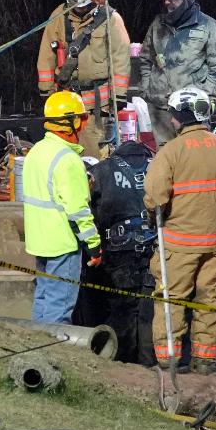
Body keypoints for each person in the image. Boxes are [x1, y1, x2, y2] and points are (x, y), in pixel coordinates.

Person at [142, 87, 216, 374]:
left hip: (178, 245)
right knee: (210, 300)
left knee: (172, 303)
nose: (170, 121)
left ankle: (168, 363)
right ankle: (204, 364)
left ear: (179, 117)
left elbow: (154, 197)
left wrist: (152, 215)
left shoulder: (171, 151)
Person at [19, 91, 104, 325]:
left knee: (44, 298)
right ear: (72, 122)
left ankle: (37, 349)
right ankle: (56, 356)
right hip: (63, 244)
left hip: (40, 241)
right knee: (60, 306)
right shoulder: (67, 159)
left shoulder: (36, 152)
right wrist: (94, 246)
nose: (85, 124)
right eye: (82, 118)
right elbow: (78, 212)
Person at [36, 0, 132, 155]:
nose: (79, 10)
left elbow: (120, 58)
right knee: (64, 152)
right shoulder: (59, 16)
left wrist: (118, 96)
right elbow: (46, 56)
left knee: (95, 154)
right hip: (66, 101)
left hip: (97, 105)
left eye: (83, 7)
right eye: (75, 7)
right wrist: (46, 91)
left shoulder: (110, 19)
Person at [139, 0, 216, 143]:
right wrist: (147, 87)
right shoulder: (158, 24)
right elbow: (145, 58)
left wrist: (206, 99)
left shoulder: (209, 27)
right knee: (165, 159)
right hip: (159, 108)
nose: (167, 2)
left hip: (191, 112)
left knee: (194, 159)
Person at [85, 139, 155, 365]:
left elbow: (90, 208)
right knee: (149, 309)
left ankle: (120, 363)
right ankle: (147, 362)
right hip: (154, 249)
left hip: (118, 250)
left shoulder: (102, 170)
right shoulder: (159, 168)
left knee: (122, 306)